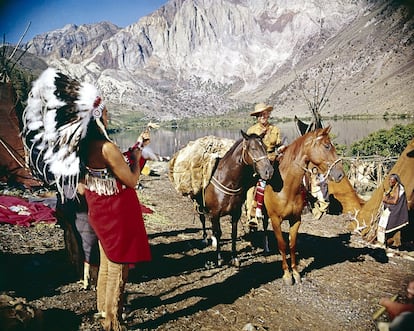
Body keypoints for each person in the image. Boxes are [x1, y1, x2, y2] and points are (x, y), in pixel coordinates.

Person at [22, 68, 151, 331]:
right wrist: (138, 160)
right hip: (115, 216)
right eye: (105, 110)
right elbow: (132, 180)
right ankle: (112, 322)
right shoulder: (106, 147)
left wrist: (136, 146)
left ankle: (103, 310)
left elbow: (100, 173)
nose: (108, 113)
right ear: (98, 115)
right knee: (116, 266)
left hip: (99, 214)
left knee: (105, 262)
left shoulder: (85, 146)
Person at [246, 102, 286, 228]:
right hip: (258, 164)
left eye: (265, 114)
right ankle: (251, 215)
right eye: (260, 115)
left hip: (273, 162)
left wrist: (281, 149)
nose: (263, 116)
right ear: (257, 117)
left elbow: (282, 144)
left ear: (268, 115)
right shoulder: (252, 131)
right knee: (251, 190)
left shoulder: (275, 130)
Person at [379, 173, 409, 247]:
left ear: (396, 180)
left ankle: (386, 242)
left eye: (391, 180)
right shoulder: (396, 187)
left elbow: (395, 201)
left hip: (397, 210)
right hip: (397, 208)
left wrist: (385, 200)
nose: (390, 181)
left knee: (387, 223)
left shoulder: (398, 187)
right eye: (389, 180)